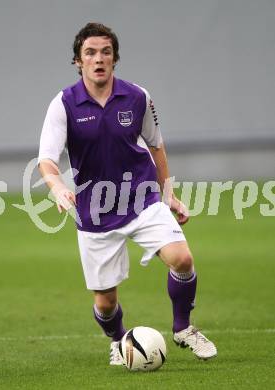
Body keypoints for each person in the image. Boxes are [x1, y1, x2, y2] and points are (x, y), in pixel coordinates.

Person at [38, 22, 217, 364]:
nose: (98, 58)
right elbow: (47, 158)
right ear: (78, 60)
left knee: (183, 259)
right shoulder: (63, 104)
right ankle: (120, 341)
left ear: (115, 58)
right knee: (105, 304)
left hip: (142, 197)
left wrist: (169, 194)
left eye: (105, 51)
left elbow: (156, 146)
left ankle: (183, 327)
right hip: (95, 211)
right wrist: (58, 187)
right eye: (90, 52)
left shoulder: (137, 97)